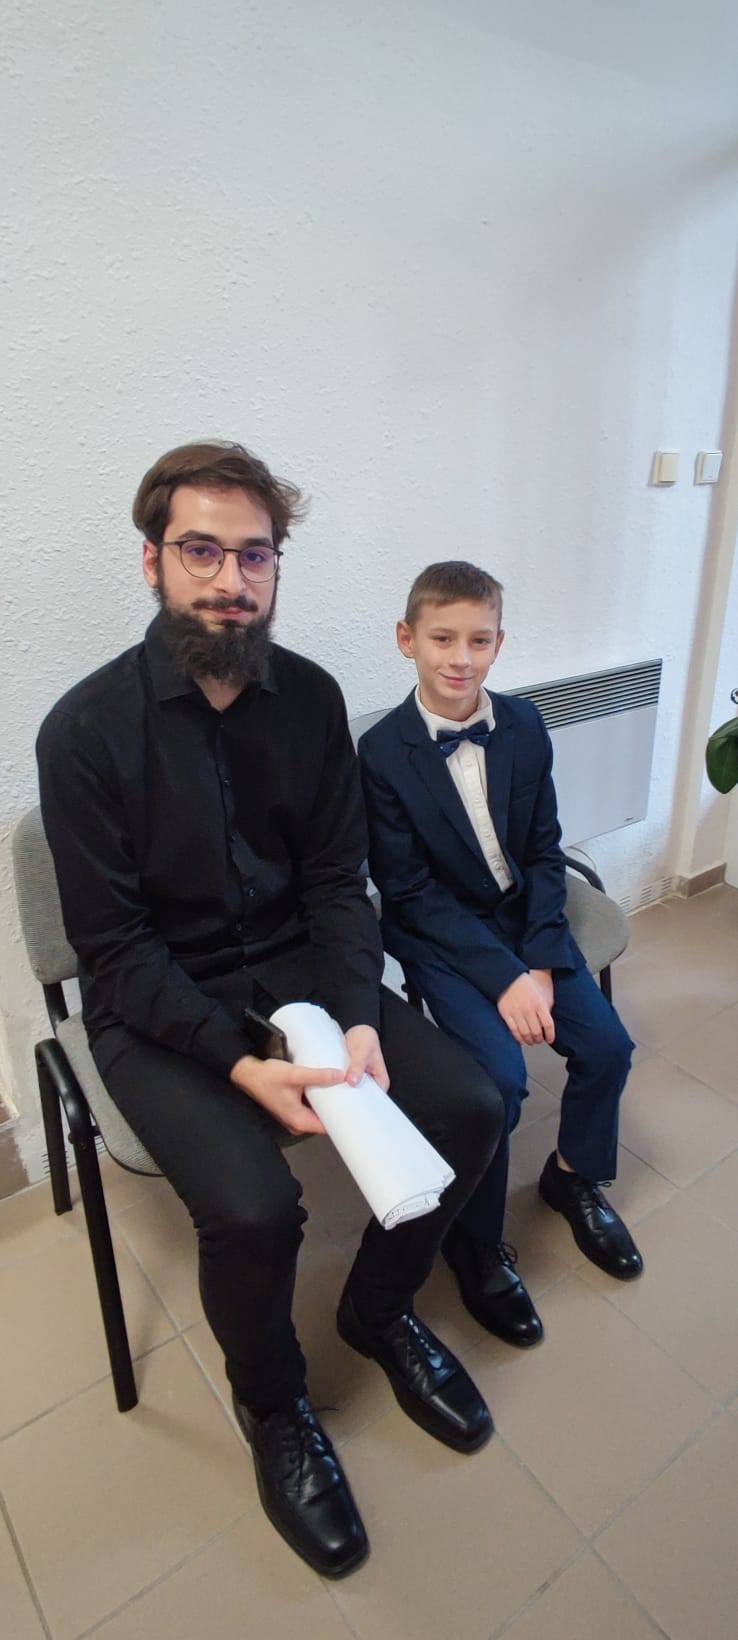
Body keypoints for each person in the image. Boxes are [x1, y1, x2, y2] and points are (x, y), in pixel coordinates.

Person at [36, 447, 505, 1579]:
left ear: (276, 567)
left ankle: (378, 1311)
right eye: (200, 550)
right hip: (159, 1000)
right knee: (253, 1209)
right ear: (152, 561)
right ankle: (275, 1405)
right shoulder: (82, 731)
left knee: (471, 1103)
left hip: (303, 970)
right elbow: (114, 951)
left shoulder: (313, 698)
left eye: (254, 555)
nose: (229, 580)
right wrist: (238, 1062)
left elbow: (339, 881)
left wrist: (354, 1016)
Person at [358, 561, 643, 1353]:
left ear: (499, 643)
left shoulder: (524, 724)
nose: (461, 658)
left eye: (479, 641)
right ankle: (475, 1243)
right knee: (499, 1086)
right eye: (443, 638)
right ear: (407, 639)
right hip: (443, 935)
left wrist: (542, 963)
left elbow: (546, 850)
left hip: (528, 925)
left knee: (609, 1047)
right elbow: (407, 892)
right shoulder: (379, 752)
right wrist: (504, 978)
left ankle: (572, 1177)